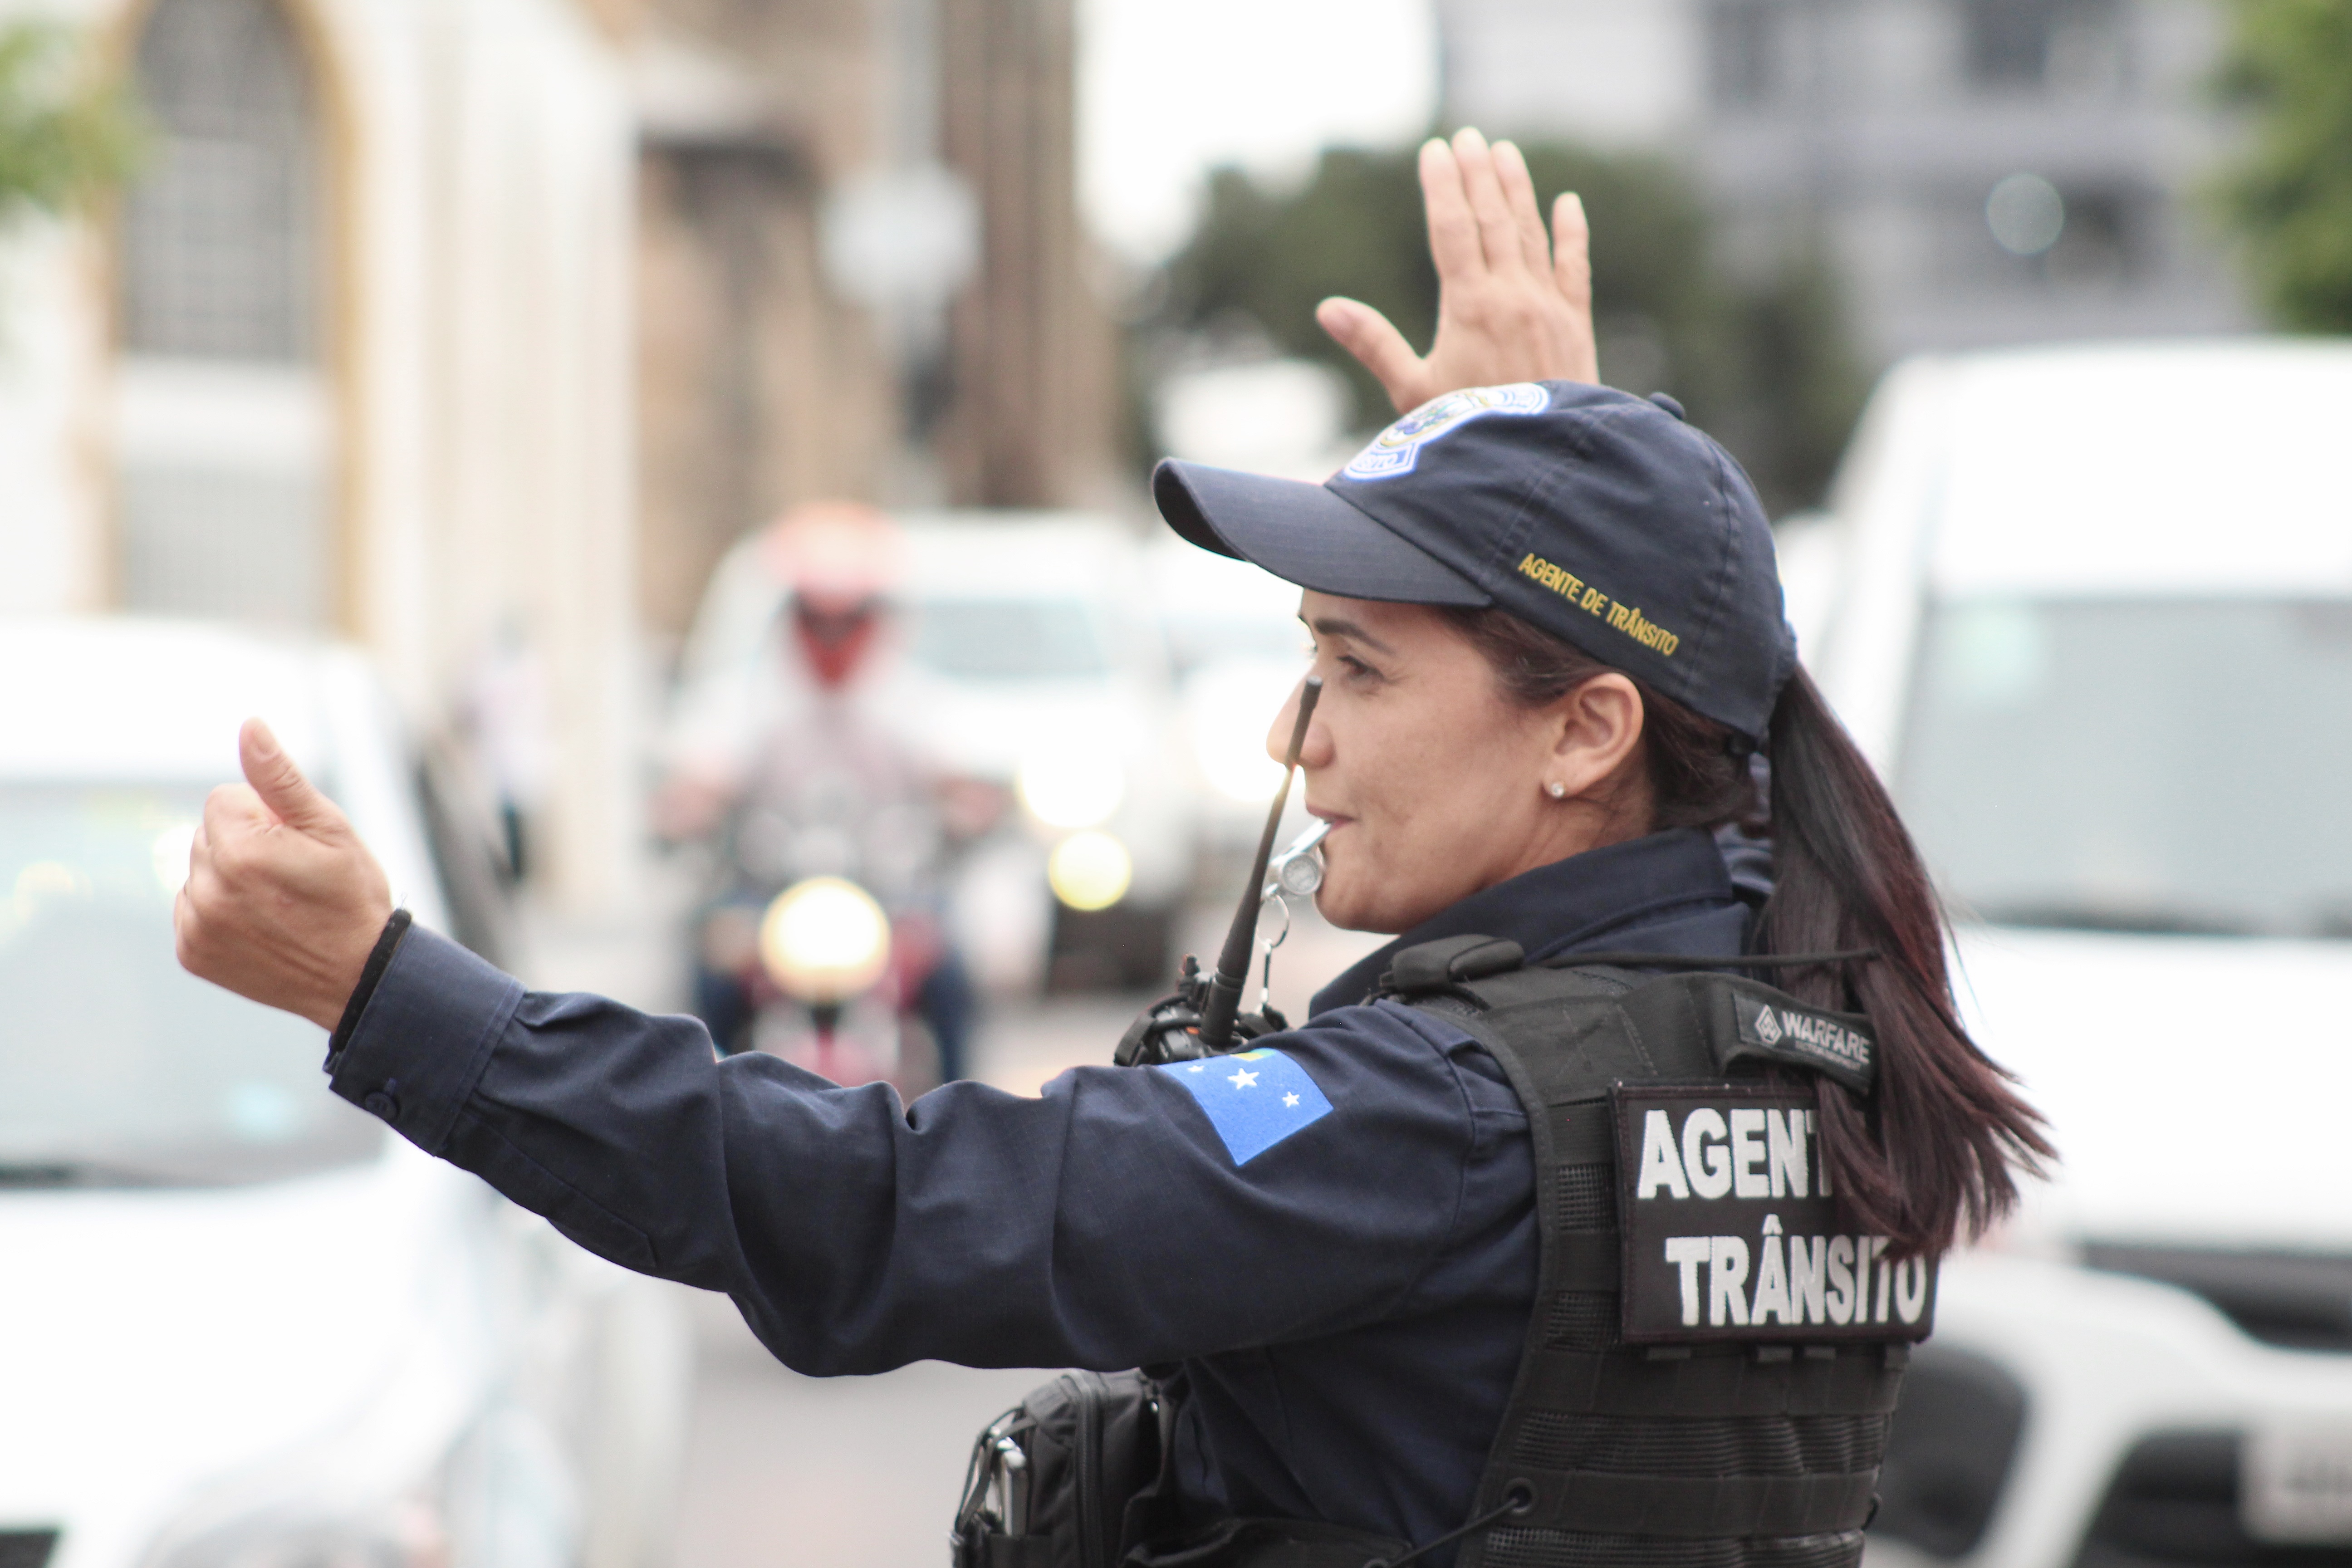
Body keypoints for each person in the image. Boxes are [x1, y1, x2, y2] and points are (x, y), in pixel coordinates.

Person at [175, 129, 2049, 1568]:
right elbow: (1733, 695)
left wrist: (387, 995)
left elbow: (883, 1215)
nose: (1292, 742)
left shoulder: (1443, 1132)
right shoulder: (1828, 1034)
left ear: (1587, 732)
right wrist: (1545, 471)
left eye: (1357, 669)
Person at [654, 501, 976, 1083]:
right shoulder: (750, 697)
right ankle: (706, 1114)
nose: (833, 637)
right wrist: (688, 807)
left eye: (848, 620)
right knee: (708, 986)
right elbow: (701, 775)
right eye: (816, 619)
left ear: (876, 619)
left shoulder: (913, 698)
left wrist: (972, 807)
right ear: (792, 618)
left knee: (952, 981)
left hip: (892, 899)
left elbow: (961, 779)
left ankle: (968, 1130)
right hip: (768, 900)